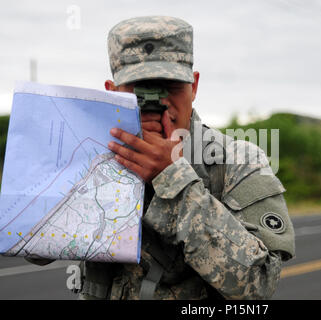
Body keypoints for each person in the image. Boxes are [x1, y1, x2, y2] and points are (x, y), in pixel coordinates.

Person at [29, 15, 295, 300]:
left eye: (171, 86)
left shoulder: (237, 161)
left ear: (193, 87)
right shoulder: (88, 154)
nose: (156, 102)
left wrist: (173, 179)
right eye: (141, 88)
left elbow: (259, 285)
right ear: (112, 91)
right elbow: (33, 248)